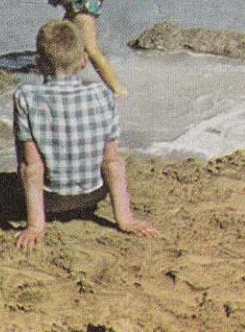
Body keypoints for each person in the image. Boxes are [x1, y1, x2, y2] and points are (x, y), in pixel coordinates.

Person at [13, 20, 158, 248]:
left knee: (29, 156)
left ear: (39, 63)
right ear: (83, 60)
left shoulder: (26, 97)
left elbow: (32, 169)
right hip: (93, 194)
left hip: (50, 199)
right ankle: (123, 216)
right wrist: (126, 220)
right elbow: (112, 162)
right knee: (110, 155)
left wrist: (35, 227)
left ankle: (39, 219)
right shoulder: (102, 93)